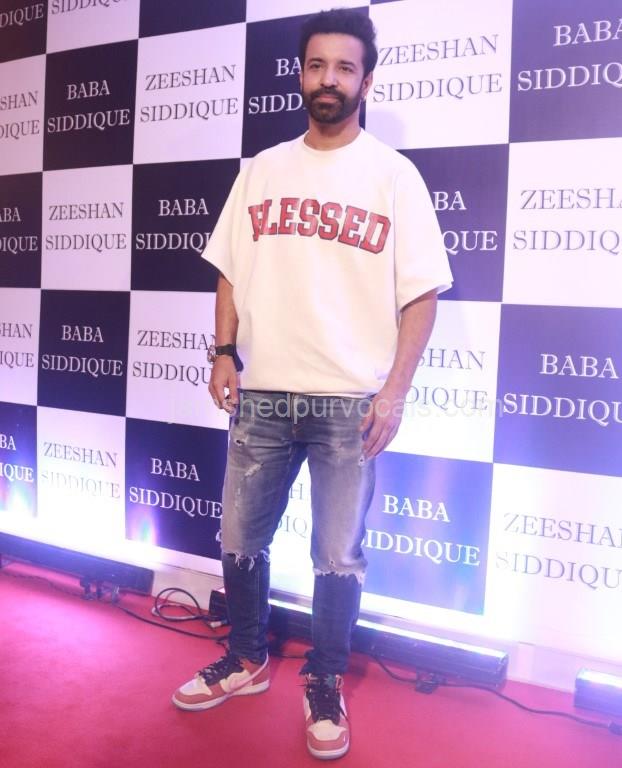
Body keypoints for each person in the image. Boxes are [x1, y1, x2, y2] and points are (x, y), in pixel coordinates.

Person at [172, 8, 452, 760]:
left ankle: (324, 678)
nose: (329, 80)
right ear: (301, 74)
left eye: (345, 68)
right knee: (240, 537)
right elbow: (230, 270)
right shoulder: (262, 168)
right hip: (263, 395)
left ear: (367, 80)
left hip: (348, 404)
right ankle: (247, 658)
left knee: (336, 554)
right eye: (317, 65)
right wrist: (223, 352)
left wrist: (394, 391)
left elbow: (422, 293)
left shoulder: (394, 176)